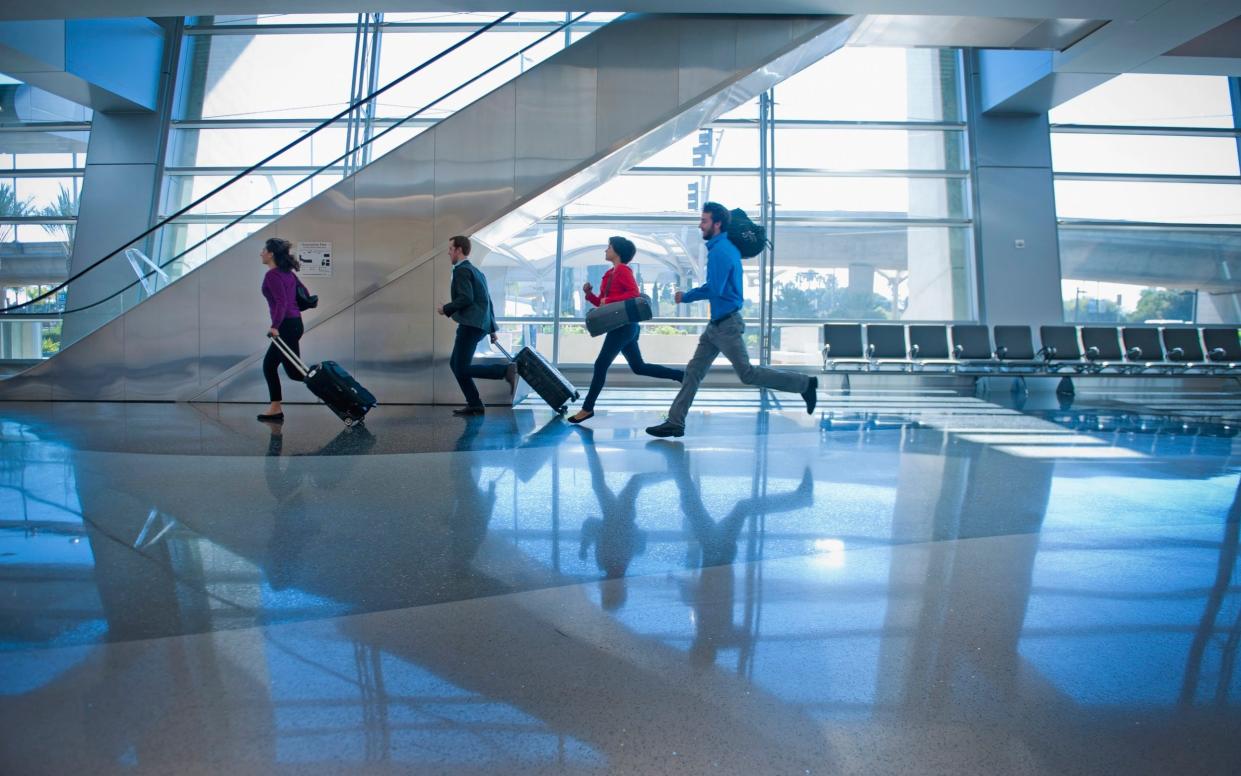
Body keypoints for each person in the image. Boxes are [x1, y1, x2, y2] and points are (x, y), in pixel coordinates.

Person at [645, 203, 818, 438]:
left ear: (717, 224)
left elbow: (715, 288)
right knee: (694, 371)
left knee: (747, 374)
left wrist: (685, 296)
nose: (700, 225)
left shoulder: (721, 251)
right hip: (717, 324)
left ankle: (804, 384)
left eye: (704, 221)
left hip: (726, 325)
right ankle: (675, 422)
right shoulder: (721, 248)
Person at [568, 236, 684, 424]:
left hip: (624, 327)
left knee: (600, 365)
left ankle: (587, 408)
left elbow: (633, 294)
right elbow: (603, 305)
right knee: (638, 367)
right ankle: (680, 375)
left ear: (617, 251)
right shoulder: (611, 273)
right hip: (623, 326)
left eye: (609, 247)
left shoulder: (622, 271)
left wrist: (608, 301)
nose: (606, 250)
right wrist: (589, 295)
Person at [437, 235, 517, 416]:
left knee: (461, 367)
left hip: (470, 324)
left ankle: (505, 371)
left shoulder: (461, 271)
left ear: (458, 250)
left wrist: (446, 309)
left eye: (450, 249)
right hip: (479, 324)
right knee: (455, 364)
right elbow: (487, 300)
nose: (448, 252)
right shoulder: (476, 271)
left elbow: (466, 298)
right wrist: (491, 329)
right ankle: (475, 403)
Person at [258, 237, 305, 422]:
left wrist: (275, 326)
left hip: (285, 326)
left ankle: (336, 391)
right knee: (270, 366)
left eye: (263, 250)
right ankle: (275, 408)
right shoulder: (289, 273)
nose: (261, 253)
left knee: (295, 373)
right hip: (294, 324)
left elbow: (281, 302)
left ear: (271, 254)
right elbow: (305, 294)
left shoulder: (273, 275)